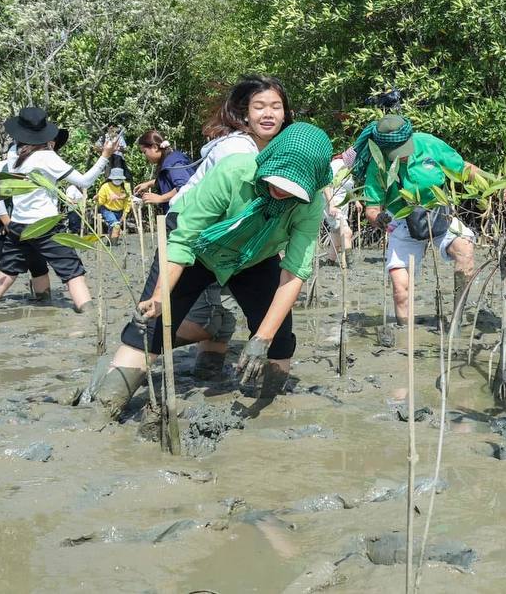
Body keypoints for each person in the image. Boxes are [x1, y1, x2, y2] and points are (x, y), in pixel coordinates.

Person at [92, 122, 332, 416]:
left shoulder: (310, 204)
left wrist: (263, 337)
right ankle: (103, 408)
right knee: (152, 324)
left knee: (279, 336)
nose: (281, 190)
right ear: (269, 160)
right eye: (278, 178)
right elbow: (183, 239)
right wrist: (158, 297)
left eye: (293, 187)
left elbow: (294, 271)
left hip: (254, 256)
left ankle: (271, 408)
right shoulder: (233, 172)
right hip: (198, 247)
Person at [134, 76, 293, 379]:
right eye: (259, 107)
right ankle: (112, 388)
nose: (268, 114)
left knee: (273, 329)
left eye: (276, 106)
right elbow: (197, 223)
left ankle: (216, 371)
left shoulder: (282, 149)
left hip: (246, 239)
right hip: (194, 233)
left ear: (285, 113)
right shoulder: (236, 150)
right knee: (156, 323)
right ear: (245, 113)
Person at [0, 108, 117, 321]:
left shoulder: (14, 156)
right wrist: (105, 156)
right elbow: (85, 181)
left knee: (7, 271)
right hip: (46, 225)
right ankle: (90, 318)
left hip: (19, 225)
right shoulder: (47, 157)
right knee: (72, 271)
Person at [356, 115, 478, 332]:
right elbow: (371, 209)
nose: (403, 156)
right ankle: (405, 331)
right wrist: (379, 219)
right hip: (401, 219)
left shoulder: (429, 143)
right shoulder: (378, 164)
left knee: (465, 249)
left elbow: (464, 169)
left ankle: (456, 321)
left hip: (438, 213)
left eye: (405, 148)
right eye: (396, 153)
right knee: (400, 289)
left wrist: (496, 184)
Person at [0, 129, 67, 304]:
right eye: (49, 140)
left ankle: (44, 304)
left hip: (29, 221)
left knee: (38, 267)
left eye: (54, 141)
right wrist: (7, 222)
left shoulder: (49, 166)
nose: (52, 144)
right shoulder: (3, 165)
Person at [132, 130, 194, 214]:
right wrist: (148, 184)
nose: (144, 156)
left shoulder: (173, 163)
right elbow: (168, 179)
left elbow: (184, 186)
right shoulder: (169, 159)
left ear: (155, 147)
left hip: (185, 213)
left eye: (144, 152)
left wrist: (160, 198)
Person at [323, 150, 355, 267]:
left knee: (336, 233)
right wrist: (331, 204)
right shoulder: (337, 165)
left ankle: (330, 261)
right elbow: (326, 185)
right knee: (347, 232)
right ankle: (349, 265)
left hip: (342, 205)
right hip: (333, 204)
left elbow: (348, 188)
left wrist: (356, 202)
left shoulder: (349, 168)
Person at [95, 168, 133, 241]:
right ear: (111, 178)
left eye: (119, 179)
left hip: (119, 211)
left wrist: (125, 212)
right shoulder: (105, 186)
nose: (118, 180)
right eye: (116, 178)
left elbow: (128, 201)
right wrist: (106, 198)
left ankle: (111, 243)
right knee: (116, 225)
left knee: (114, 229)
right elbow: (101, 202)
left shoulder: (126, 186)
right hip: (107, 210)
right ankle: (114, 245)